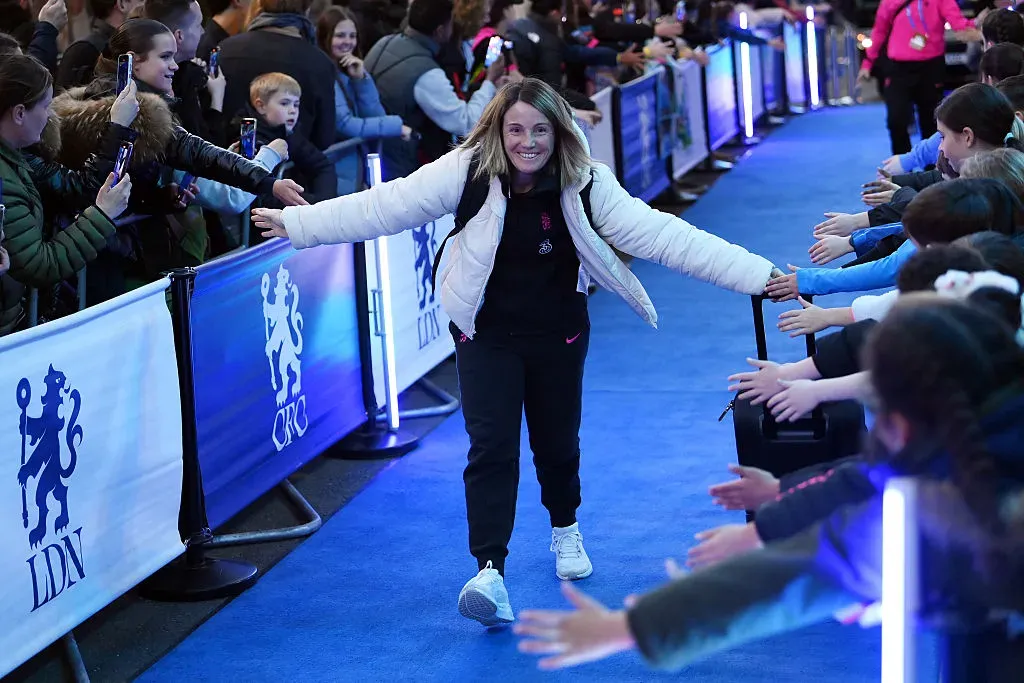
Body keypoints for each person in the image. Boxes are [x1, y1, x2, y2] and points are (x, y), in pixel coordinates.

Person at [253, 77, 783, 627]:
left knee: (556, 443)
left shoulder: (586, 182)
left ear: (559, 132)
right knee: (491, 448)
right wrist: (298, 224)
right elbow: (385, 206)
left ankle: (565, 527)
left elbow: (668, 238)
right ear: (497, 132)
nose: (528, 141)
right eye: (515, 130)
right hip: (484, 335)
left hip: (560, 332)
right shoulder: (466, 171)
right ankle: (490, 572)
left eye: (540, 130)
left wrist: (759, 276)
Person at [515, 293, 1024, 678]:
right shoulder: (935, 486)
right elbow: (852, 488)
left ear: (900, 421)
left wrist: (628, 628)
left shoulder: (927, 512)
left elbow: (787, 578)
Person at [0, 53, 137, 335]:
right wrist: (102, 214)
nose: (51, 115)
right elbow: (40, 265)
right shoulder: (5, 177)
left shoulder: (15, 157)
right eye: (46, 106)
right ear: (19, 113)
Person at [315, 5, 411, 195]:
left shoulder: (352, 70)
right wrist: (396, 126)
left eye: (352, 36)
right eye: (340, 35)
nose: (348, 42)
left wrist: (361, 81)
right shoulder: (322, 73)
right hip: (335, 171)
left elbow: (376, 114)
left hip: (355, 170)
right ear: (325, 37)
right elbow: (344, 124)